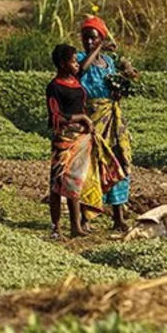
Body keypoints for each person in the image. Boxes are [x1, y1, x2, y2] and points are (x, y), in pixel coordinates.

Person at [77, 15, 136, 232]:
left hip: (111, 117)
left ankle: (118, 216)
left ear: (101, 37)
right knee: (91, 166)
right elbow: (81, 71)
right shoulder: (81, 58)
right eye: (86, 38)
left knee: (117, 162)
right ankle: (86, 218)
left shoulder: (109, 62)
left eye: (94, 38)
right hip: (92, 118)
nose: (89, 42)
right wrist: (98, 48)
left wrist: (119, 91)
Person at [46, 44, 97, 238]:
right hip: (64, 139)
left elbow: (85, 66)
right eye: (73, 61)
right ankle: (56, 226)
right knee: (58, 183)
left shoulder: (75, 80)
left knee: (75, 181)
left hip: (81, 139)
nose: (77, 64)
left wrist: (99, 45)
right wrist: (82, 118)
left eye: (77, 61)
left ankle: (76, 226)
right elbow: (55, 117)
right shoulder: (54, 86)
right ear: (62, 63)